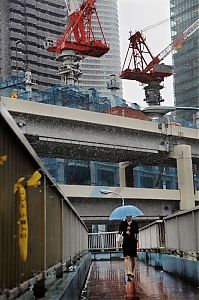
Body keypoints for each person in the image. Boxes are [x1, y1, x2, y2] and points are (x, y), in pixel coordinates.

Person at [119, 215, 139, 281]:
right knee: (126, 256)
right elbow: (120, 231)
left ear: (131, 216)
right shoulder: (123, 223)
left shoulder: (135, 223)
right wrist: (125, 231)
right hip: (125, 242)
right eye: (127, 216)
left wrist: (131, 229)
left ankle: (132, 272)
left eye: (130, 216)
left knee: (133, 258)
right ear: (126, 217)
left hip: (133, 242)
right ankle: (128, 272)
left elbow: (137, 231)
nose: (129, 217)